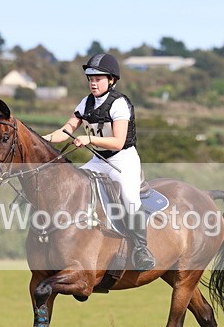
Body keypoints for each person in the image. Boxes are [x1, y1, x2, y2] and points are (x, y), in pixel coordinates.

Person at [43, 53, 156, 271]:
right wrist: (42, 139)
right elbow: (65, 131)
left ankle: (142, 249)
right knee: (73, 185)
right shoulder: (85, 102)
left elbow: (118, 142)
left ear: (111, 80)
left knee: (129, 197)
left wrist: (89, 139)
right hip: (98, 160)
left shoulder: (119, 103)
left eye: (98, 79)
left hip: (123, 160)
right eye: (90, 79)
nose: (93, 83)